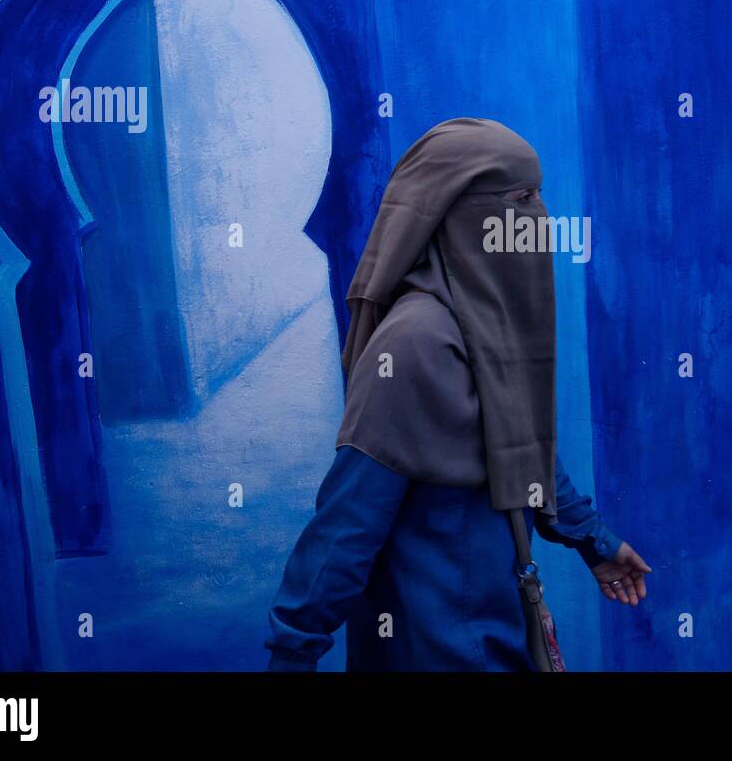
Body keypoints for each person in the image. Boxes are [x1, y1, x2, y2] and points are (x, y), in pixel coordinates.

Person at [265, 117, 650, 671]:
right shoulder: (416, 343)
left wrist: (594, 540)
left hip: (495, 639)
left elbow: (519, 442)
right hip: (434, 651)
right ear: (460, 214)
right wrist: (292, 653)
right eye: (520, 199)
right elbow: (347, 525)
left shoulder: (480, 325)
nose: (538, 219)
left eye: (539, 197)